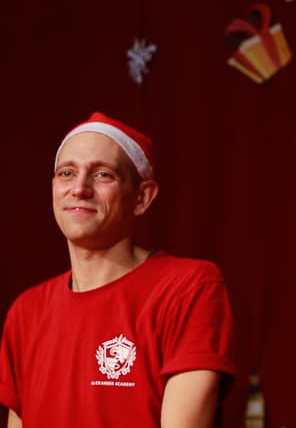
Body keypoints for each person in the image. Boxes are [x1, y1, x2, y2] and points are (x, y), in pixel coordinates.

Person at [0, 112, 238, 427]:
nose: (79, 188)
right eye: (67, 173)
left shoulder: (188, 288)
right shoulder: (26, 312)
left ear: (142, 197)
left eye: (103, 175)